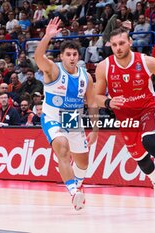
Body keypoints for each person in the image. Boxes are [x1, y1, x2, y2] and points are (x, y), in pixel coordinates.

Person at [94, 27, 155, 213]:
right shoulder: (104, 67)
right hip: (125, 116)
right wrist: (108, 102)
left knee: (151, 143)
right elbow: (96, 97)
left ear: (130, 42)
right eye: (114, 44)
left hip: (148, 107)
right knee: (140, 158)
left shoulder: (146, 61)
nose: (118, 48)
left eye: (122, 43)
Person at [34, 17, 98, 211]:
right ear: (62, 56)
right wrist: (47, 36)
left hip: (73, 120)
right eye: (68, 54)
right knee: (62, 147)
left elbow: (93, 102)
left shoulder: (85, 76)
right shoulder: (53, 70)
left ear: (78, 57)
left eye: (75, 54)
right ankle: (73, 192)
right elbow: (38, 58)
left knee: (83, 163)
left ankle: (78, 182)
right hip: (52, 117)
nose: (72, 57)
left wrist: (95, 129)